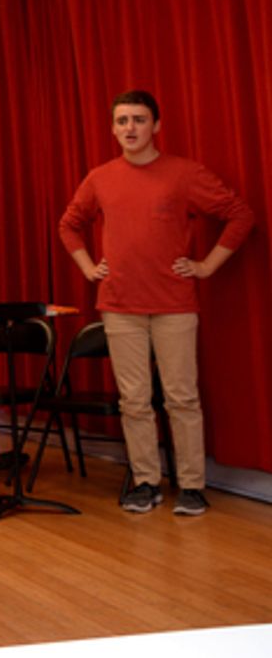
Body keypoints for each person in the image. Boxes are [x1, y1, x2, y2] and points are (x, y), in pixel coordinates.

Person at [58, 89, 253, 516]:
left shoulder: (184, 174)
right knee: (134, 401)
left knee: (182, 398)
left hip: (175, 304)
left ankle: (192, 486)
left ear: (156, 126)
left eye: (139, 120)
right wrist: (89, 267)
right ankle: (145, 482)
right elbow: (69, 225)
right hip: (119, 305)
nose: (130, 128)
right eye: (123, 121)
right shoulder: (100, 177)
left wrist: (207, 266)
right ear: (112, 128)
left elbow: (240, 215)